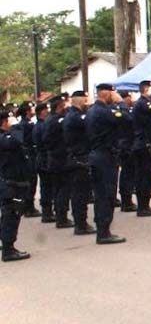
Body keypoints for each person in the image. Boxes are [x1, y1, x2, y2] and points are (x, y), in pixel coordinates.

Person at [85, 83, 126, 245]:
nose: (114, 95)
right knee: (106, 195)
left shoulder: (92, 111)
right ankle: (103, 232)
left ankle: (103, 230)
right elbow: (126, 118)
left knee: (103, 194)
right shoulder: (102, 111)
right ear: (105, 93)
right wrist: (121, 102)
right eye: (112, 92)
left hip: (99, 155)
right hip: (104, 157)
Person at [63, 90, 95, 236]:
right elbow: (90, 121)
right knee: (79, 194)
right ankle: (80, 224)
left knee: (82, 193)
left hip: (80, 157)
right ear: (80, 100)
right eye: (86, 99)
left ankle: (81, 222)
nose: (87, 101)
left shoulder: (75, 115)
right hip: (78, 159)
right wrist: (92, 107)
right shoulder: (74, 117)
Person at [1, 109, 31, 262]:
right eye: (9, 122)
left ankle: (7, 245)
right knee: (11, 216)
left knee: (10, 215)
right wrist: (17, 126)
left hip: (12, 182)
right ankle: (8, 249)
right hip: (9, 183)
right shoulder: (5, 138)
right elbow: (17, 141)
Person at [42, 96, 73, 229]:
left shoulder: (50, 120)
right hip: (59, 158)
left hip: (55, 157)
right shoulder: (57, 121)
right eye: (65, 107)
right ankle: (62, 217)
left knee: (59, 188)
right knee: (63, 189)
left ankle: (60, 215)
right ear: (60, 108)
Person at [132, 80, 151, 217]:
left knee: (147, 175)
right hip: (144, 144)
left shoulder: (143, 103)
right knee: (146, 175)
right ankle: (143, 206)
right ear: (145, 90)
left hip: (146, 143)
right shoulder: (143, 103)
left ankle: (144, 205)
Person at [12, 101, 41, 218]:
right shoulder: (26, 124)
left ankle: (29, 205)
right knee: (31, 180)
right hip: (29, 153)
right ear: (27, 111)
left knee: (32, 181)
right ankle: (28, 207)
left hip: (30, 153)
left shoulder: (27, 123)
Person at [33, 102, 56, 223]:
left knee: (46, 186)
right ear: (41, 112)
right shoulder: (42, 126)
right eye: (45, 110)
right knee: (47, 187)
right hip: (44, 158)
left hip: (42, 158)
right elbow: (46, 141)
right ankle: (47, 212)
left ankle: (47, 212)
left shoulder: (40, 125)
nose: (47, 111)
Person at [116, 91, 137, 212]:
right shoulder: (120, 110)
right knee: (127, 174)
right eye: (129, 97)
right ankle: (126, 200)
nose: (131, 99)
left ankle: (127, 199)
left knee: (129, 173)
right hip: (125, 145)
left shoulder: (125, 109)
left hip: (127, 144)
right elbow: (129, 120)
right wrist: (122, 103)